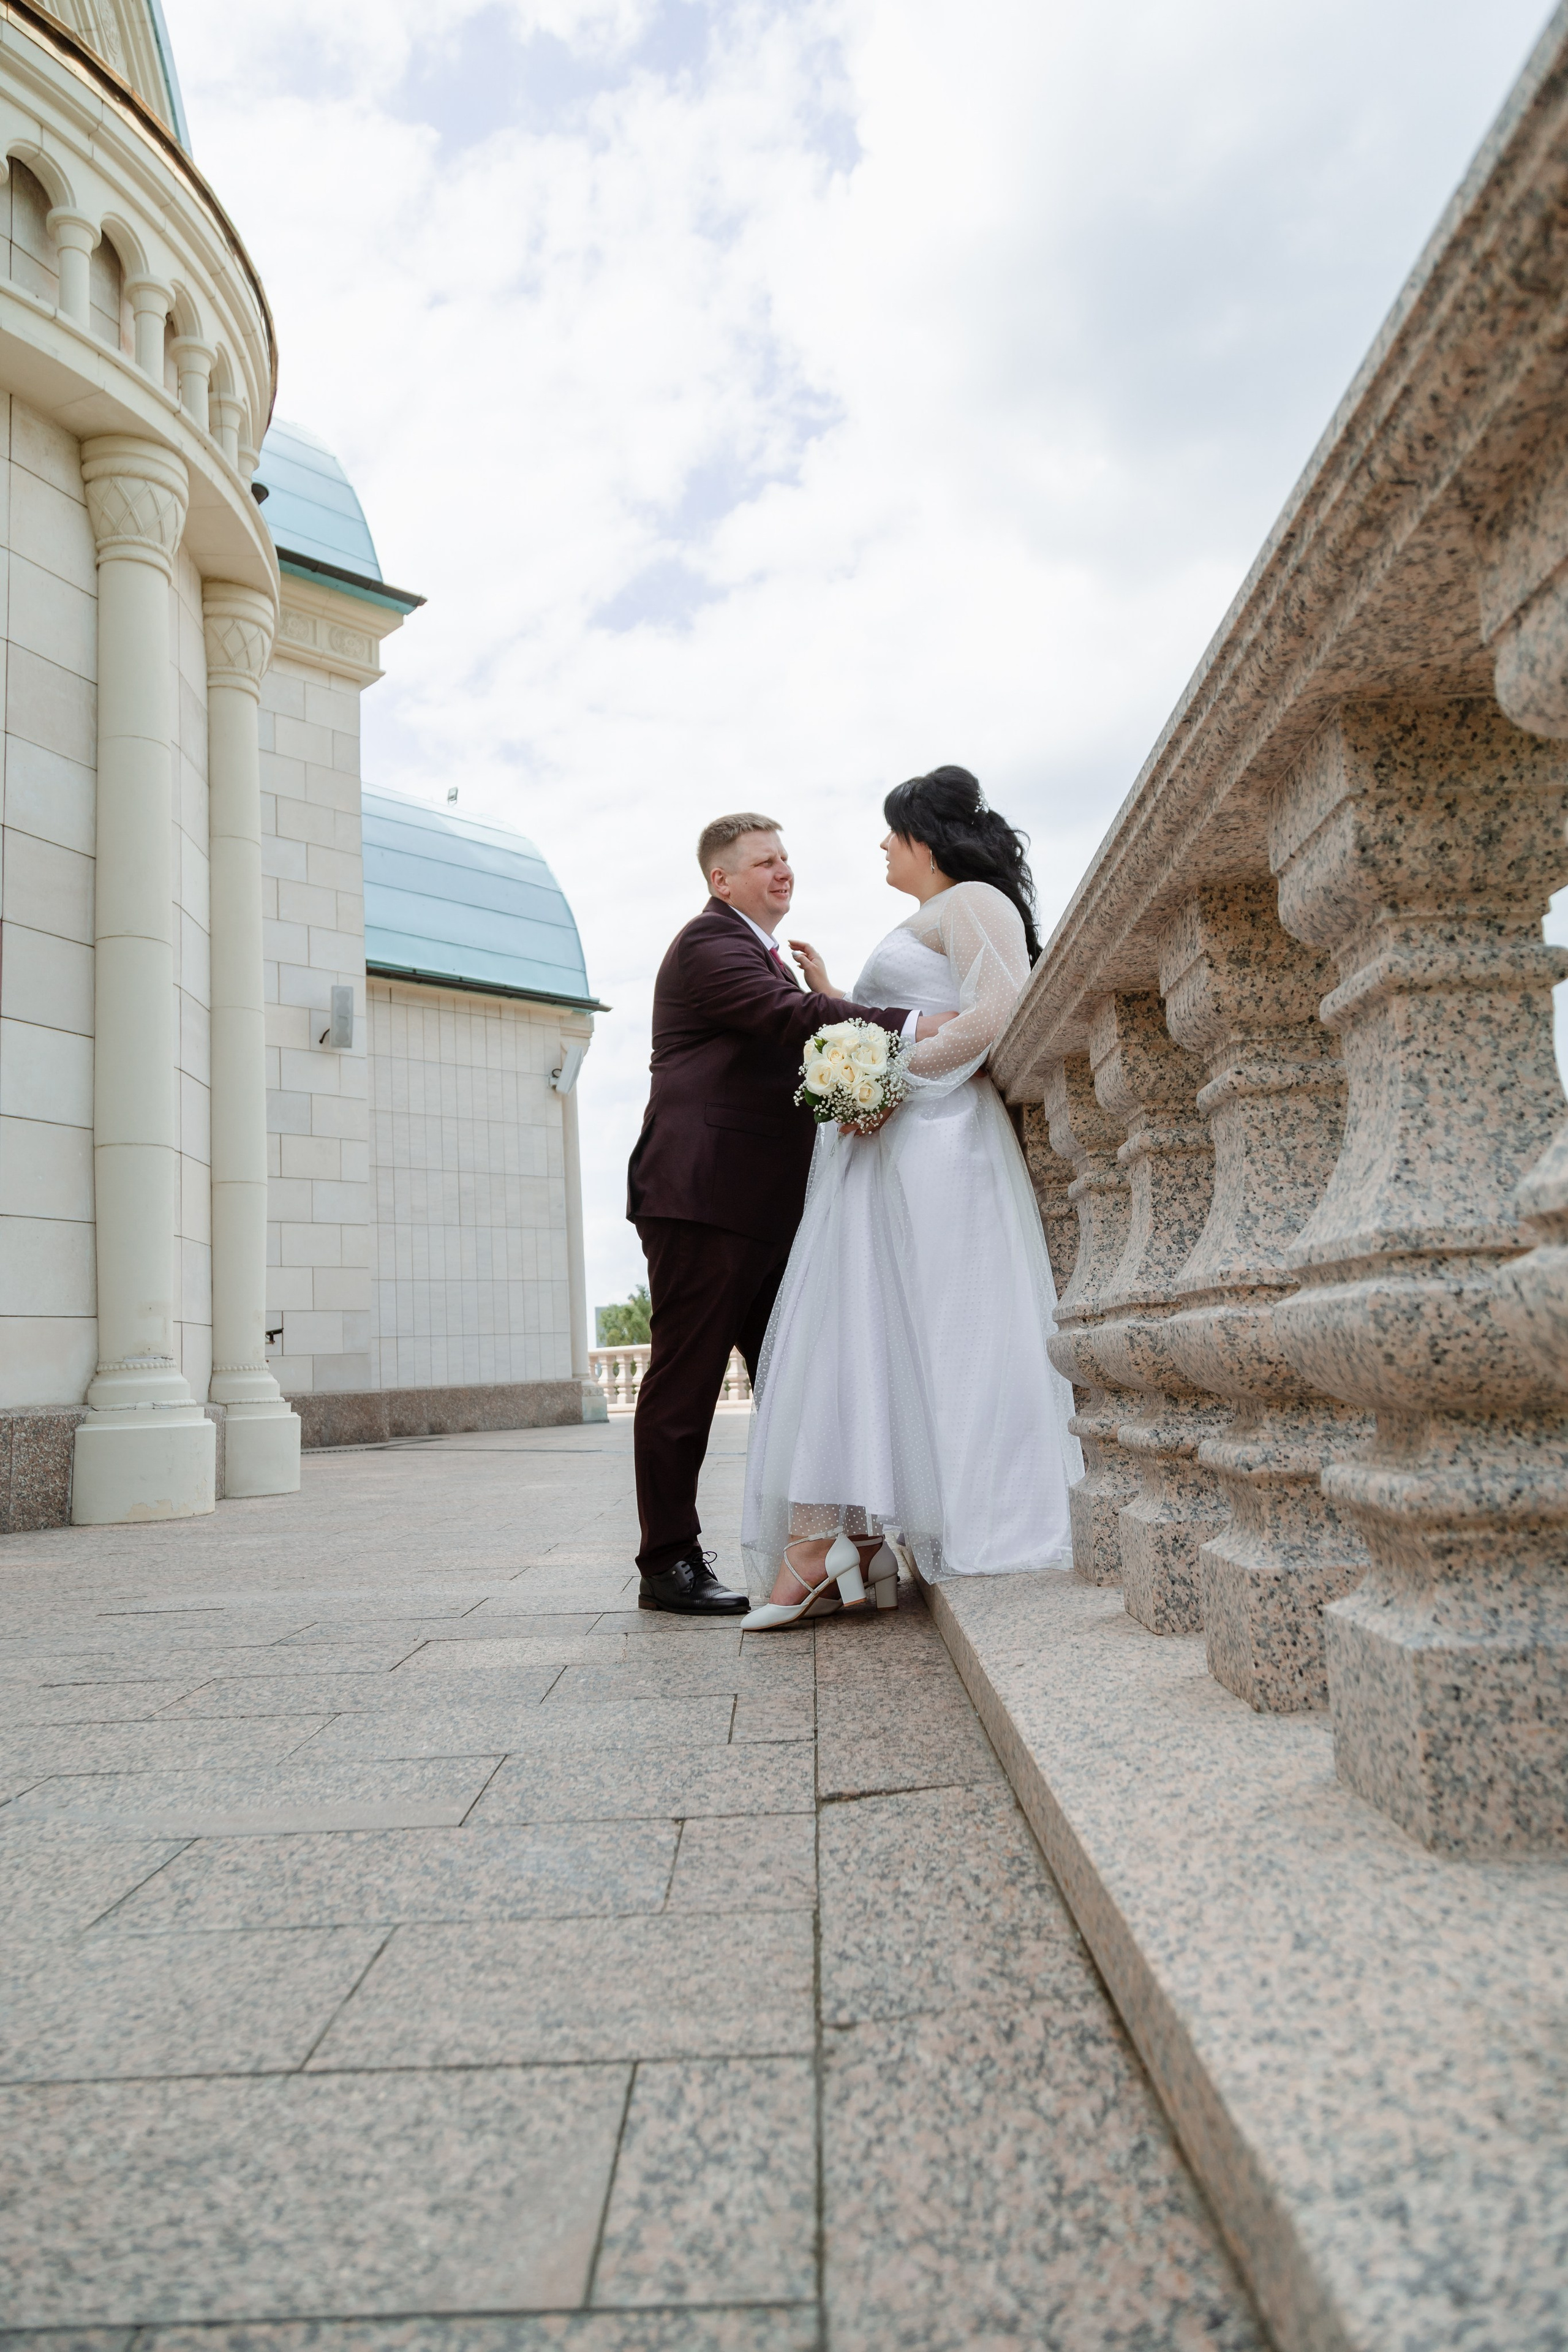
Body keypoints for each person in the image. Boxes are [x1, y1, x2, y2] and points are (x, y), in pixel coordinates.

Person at [740, 766, 1082, 1628]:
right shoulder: (931, 915)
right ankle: (853, 1542)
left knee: (956, 1325)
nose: (884, 847)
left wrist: (886, 1075)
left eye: (893, 833)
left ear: (925, 840)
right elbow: (911, 1015)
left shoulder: (973, 901)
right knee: (869, 1334)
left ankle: (960, 1523)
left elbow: (994, 1014)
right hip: (894, 1146)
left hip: (944, 1144)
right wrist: (840, 1006)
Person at [627, 813, 957, 1615]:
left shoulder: (762, 952)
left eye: (785, 858)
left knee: (804, 1380)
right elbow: (785, 1020)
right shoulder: (710, 944)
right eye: (762, 862)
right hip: (704, 1199)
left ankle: (841, 1545)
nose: (782, 871)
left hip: (767, 1207)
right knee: (685, 1384)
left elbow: (801, 1046)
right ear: (721, 880)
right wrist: (912, 1026)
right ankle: (667, 1564)